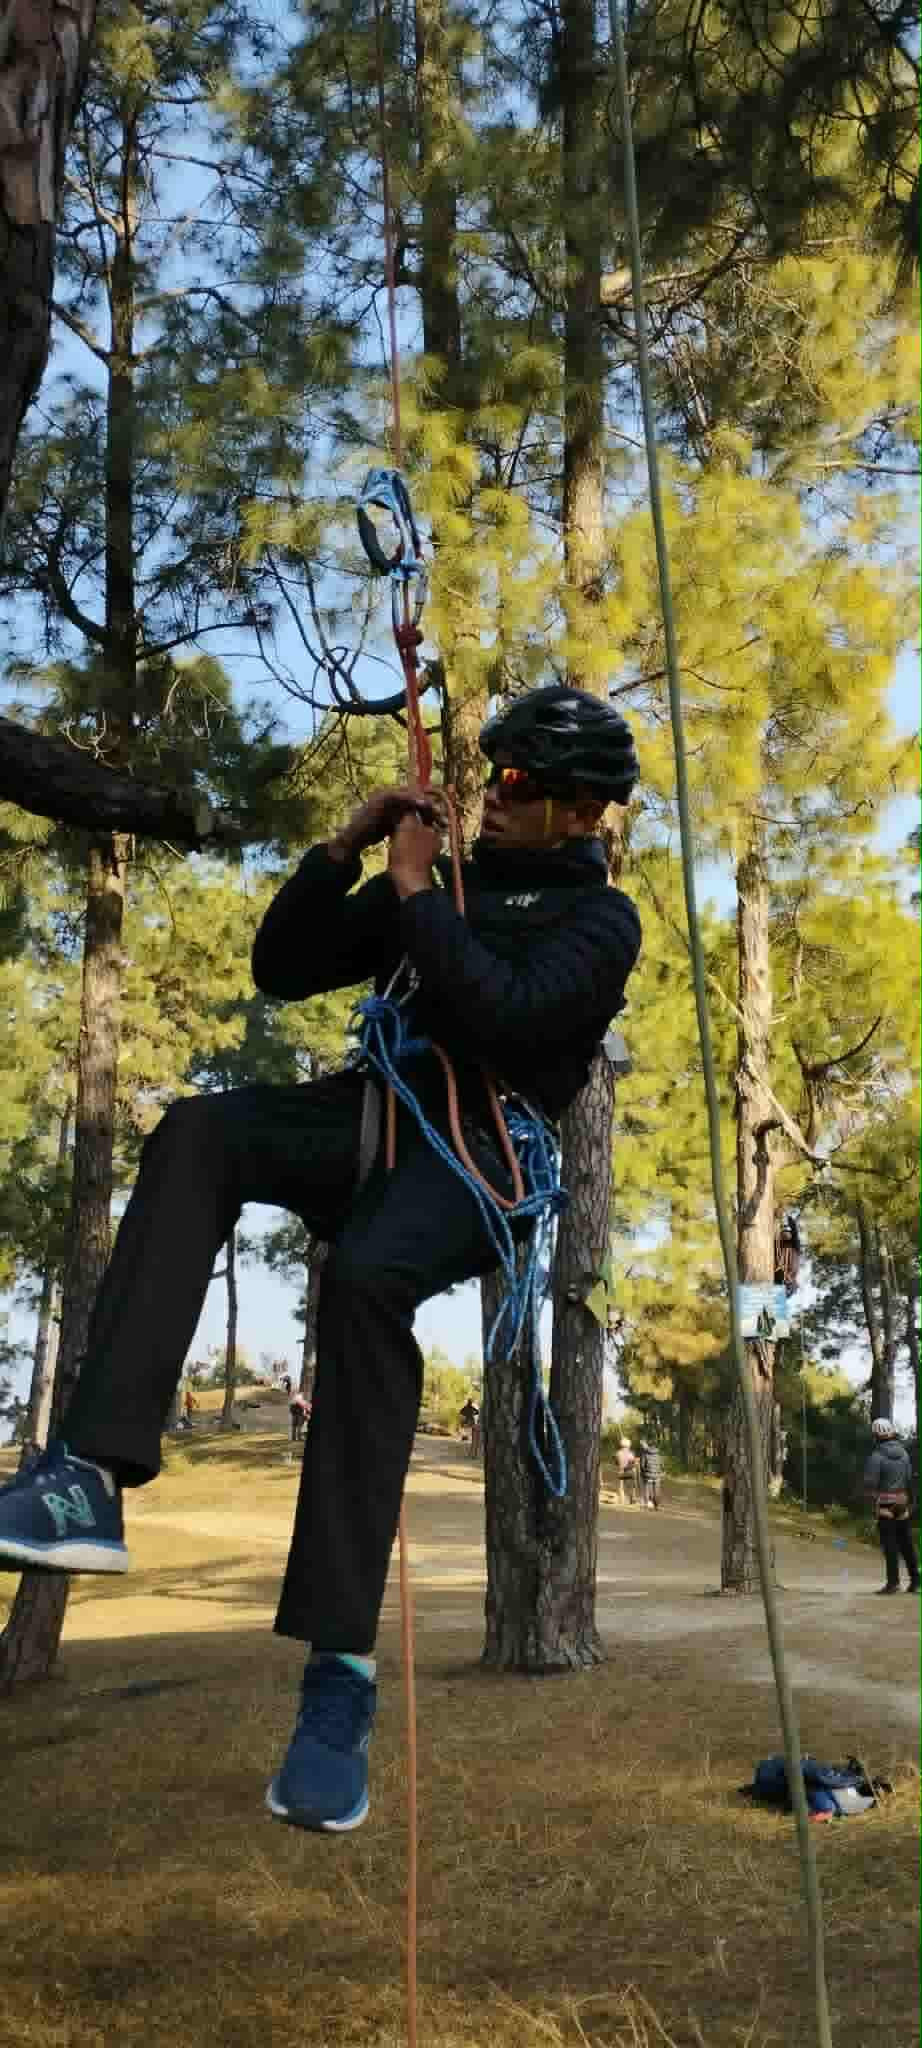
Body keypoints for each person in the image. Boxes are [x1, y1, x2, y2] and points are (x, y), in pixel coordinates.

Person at [0, 685, 640, 1834]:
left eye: (521, 783)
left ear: (584, 811)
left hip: (479, 1156)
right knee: (199, 1131)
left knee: (367, 1277)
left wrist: (416, 895)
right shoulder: (441, 882)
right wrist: (344, 849)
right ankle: (91, 1471)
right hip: (370, 1113)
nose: (495, 795)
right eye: (491, 771)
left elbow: (508, 1017)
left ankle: (337, 1681)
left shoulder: (600, 921)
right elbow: (284, 966)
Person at [864, 1417, 919, 1595]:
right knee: (907, 1544)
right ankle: (916, 1582)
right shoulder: (904, 1454)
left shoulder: (876, 1456)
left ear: (876, 1435)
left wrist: (872, 1502)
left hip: (885, 1504)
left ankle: (893, 1583)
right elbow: (909, 1479)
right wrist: (910, 1501)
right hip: (902, 1502)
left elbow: (870, 1483)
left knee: (890, 1546)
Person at [638, 1439, 662, 1510]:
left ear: (649, 1446)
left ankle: (649, 1504)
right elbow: (661, 1465)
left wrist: (643, 1473)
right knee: (657, 1490)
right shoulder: (658, 1455)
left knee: (649, 1489)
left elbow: (642, 1466)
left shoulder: (645, 1454)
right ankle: (656, 1505)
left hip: (648, 1475)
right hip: (657, 1475)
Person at [614, 1438, 636, 1505]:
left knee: (621, 1486)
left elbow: (616, 1463)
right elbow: (633, 1463)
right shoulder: (631, 1454)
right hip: (629, 1471)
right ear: (629, 1445)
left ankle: (622, 1500)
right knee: (631, 1486)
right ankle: (632, 1499)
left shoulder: (618, 1453)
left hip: (621, 1471)